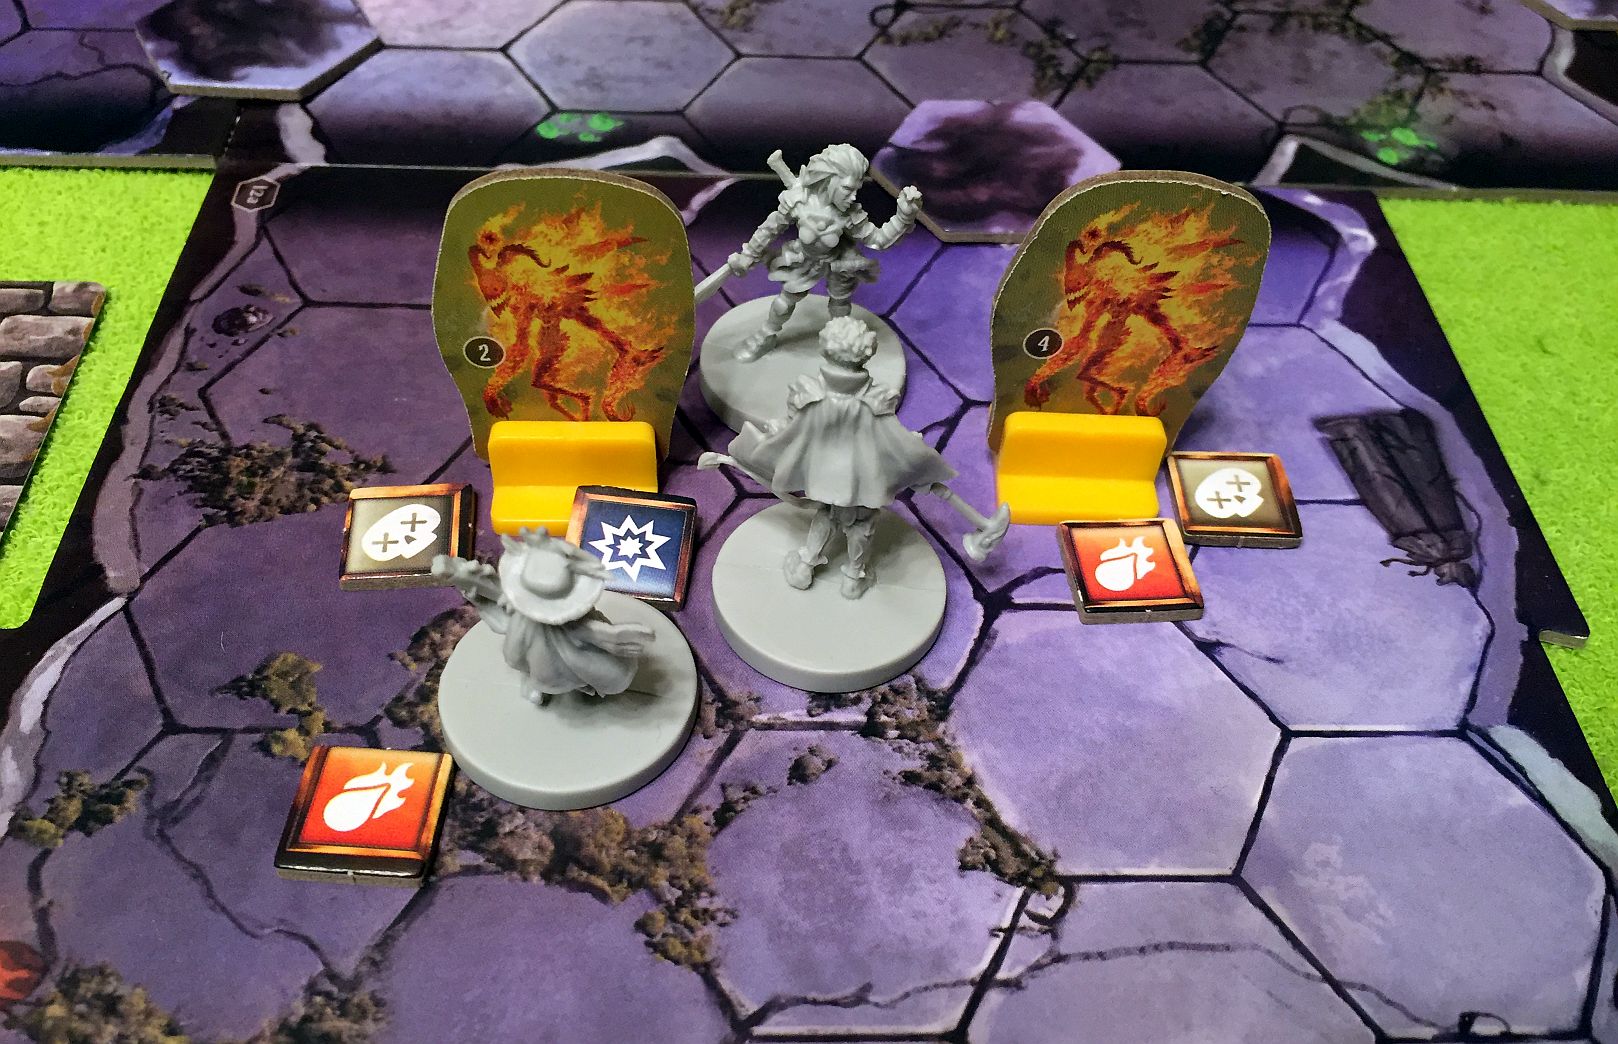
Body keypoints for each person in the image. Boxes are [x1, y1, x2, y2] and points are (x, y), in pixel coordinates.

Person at [701, 316, 1008, 598]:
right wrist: (912, 457)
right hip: (863, 479)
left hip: (823, 476)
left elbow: (791, 426)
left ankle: (805, 566)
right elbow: (891, 436)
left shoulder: (810, 393)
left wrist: (771, 435)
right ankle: (853, 577)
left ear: (826, 349)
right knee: (860, 522)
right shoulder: (874, 399)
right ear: (866, 354)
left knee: (828, 514)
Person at [721, 143, 922, 361]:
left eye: (856, 189)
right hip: (804, 260)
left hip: (839, 263)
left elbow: (878, 240)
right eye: (847, 189)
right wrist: (748, 255)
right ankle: (765, 336)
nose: (853, 197)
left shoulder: (849, 214)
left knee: (840, 309)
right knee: (784, 302)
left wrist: (903, 217)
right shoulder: (800, 201)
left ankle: (841, 347)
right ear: (830, 180)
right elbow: (769, 229)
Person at [433, 529, 654, 706]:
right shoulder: (521, 612)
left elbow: (595, 633)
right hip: (532, 635)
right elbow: (498, 598)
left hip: (570, 643)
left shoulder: (577, 621)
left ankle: (575, 684)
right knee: (525, 661)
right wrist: (463, 578)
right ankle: (541, 683)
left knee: (589, 670)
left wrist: (610, 637)